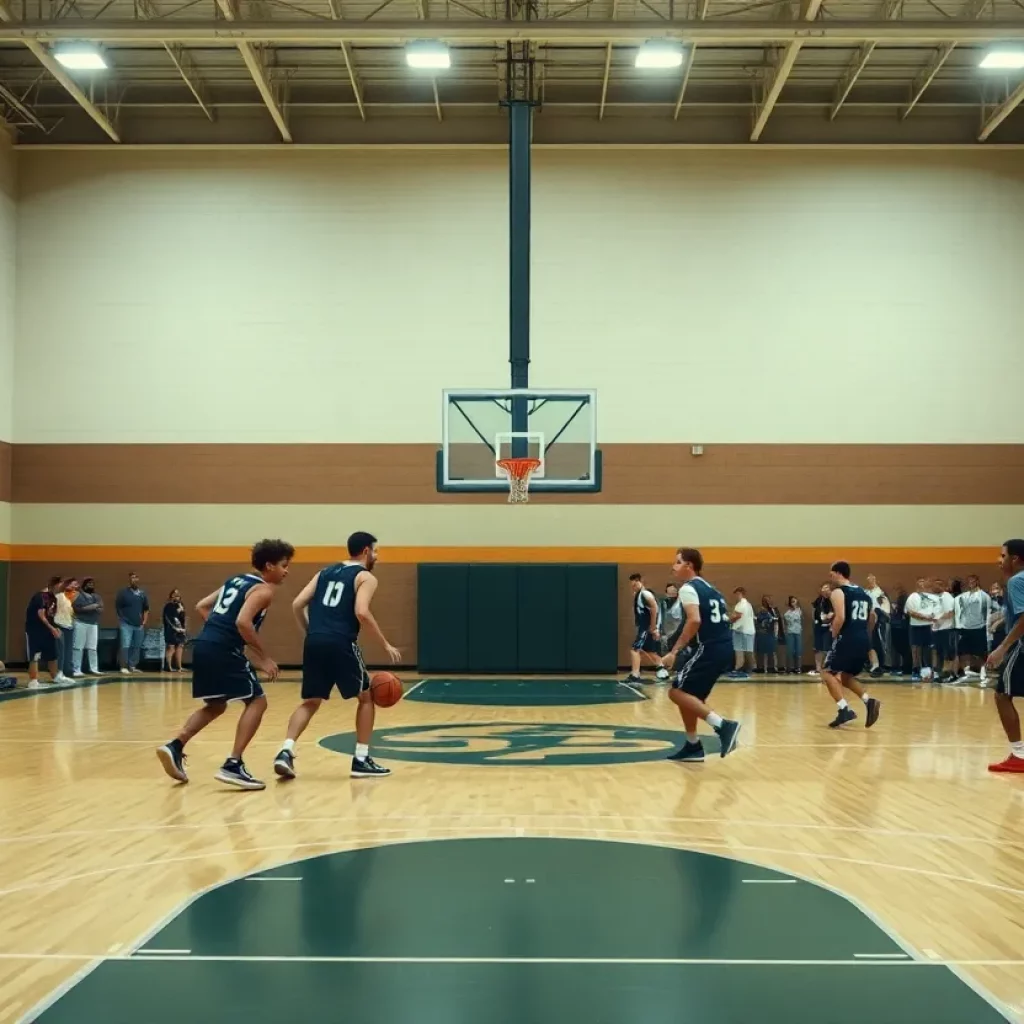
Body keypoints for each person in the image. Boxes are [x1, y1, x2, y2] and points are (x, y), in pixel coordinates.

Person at [156, 538, 294, 790]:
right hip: (222, 649)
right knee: (257, 700)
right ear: (269, 565)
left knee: (216, 705)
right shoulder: (263, 591)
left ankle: (175, 746)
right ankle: (233, 764)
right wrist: (263, 657)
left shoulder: (236, 580)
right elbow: (243, 622)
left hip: (204, 645)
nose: (287, 570)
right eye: (284, 565)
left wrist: (218, 629)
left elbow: (201, 606)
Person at [274, 531, 401, 781]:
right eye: (375, 551)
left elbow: (297, 604)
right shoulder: (365, 577)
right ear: (365, 551)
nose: (377, 556)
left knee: (310, 701)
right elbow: (362, 612)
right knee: (366, 697)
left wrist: (310, 632)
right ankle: (361, 759)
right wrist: (385, 644)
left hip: (315, 641)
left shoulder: (324, 572)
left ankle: (285, 750)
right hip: (341, 641)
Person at [662, 547, 741, 762]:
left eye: (677, 562)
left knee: (676, 692)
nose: (673, 566)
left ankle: (724, 726)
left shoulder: (688, 588)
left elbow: (694, 620)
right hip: (724, 646)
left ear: (689, 565)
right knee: (690, 697)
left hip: (710, 647)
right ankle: (693, 746)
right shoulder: (711, 589)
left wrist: (674, 651)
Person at [821, 561, 881, 729]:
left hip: (847, 637)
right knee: (846, 676)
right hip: (862, 638)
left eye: (831, 573)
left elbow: (840, 617)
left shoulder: (839, 592)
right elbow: (872, 617)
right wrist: (863, 632)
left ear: (839, 573)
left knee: (826, 672)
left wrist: (834, 634)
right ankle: (869, 701)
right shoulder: (863, 593)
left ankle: (844, 709)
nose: (830, 577)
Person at [986, 539, 1024, 773]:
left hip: (1022, 645)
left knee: (1002, 694)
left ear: (1015, 559)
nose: (999, 561)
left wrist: (1003, 647)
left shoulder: (1017, 581)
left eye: (1002, 556)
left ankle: (1019, 754)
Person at [624, 573, 668, 684]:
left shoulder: (645, 594)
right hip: (644, 627)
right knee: (649, 650)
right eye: (632, 586)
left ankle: (635, 675)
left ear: (640, 582)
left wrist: (653, 627)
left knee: (635, 650)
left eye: (635, 584)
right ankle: (661, 669)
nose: (633, 587)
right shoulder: (639, 595)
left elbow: (655, 608)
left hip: (646, 627)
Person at [25, 577, 61, 689]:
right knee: (35, 655)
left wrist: (55, 627)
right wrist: (51, 628)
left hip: (47, 630)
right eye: (59, 586)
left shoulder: (53, 598)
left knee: (52, 654)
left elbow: (51, 615)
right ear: (54, 585)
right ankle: (33, 681)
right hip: (35, 630)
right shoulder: (41, 596)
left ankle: (55, 677)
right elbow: (41, 614)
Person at [956, 575, 990, 680]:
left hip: (979, 627)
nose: (971, 582)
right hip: (965, 627)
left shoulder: (984, 596)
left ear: (977, 581)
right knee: (964, 650)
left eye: (973, 580)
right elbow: (960, 610)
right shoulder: (963, 596)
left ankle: (983, 669)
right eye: (969, 581)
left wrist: (987, 626)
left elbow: (987, 612)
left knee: (979, 651)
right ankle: (968, 669)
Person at [116, 572, 150, 675]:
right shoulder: (123, 593)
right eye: (132, 578)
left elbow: (146, 608)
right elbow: (118, 607)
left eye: (136, 577)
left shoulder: (142, 594)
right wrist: (122, 618)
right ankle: (123, 666)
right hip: (126, 624)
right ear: (129, 580)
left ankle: (132, 666)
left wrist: (144, 621)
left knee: (137, 645)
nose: (134, 579)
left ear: (138, 579)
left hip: (139, 624)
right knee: (125, 644)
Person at [905, 578, 938, 681]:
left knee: (929, 649)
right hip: (916, 626)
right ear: (916, 585)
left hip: (929, 626)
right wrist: (925, 617)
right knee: (916, 648)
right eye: (920, 582)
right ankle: (916, 669)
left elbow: (937, 610)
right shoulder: (912, 596)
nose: (922, 584)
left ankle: (930, 670)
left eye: (924, 582)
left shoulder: (933, 597)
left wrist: (932, 617)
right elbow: (911, 612)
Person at [72, 577, 103, 676]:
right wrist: (93, 606)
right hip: (80, 623)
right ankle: (76, 669)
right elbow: (77, 609)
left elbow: (101, 608)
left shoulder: (97, 596)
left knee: (92, 647)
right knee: (78, 647)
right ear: (84, 585)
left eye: (92, 584)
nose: (91, 585)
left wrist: (89, 607)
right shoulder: (78, 595)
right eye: (89, 583)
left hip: (93, 624)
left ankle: (94, 669)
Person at [931, 577, 957, 683]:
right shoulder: (935, 598)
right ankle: (939, 673)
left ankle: (949, 673)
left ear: (943, 586)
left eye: (939, 585)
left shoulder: (947, 597)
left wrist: (938, 619)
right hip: (937, 629)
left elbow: (950, 613)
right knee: (938, 652)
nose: (936, 587)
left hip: (946, 628)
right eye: (935, 584)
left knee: (948, 652)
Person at [864, 574, 890, 678]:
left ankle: (881, 665)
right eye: (868, 579)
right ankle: (874, 664)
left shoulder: (880, 593)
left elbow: (885, 609)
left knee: (878, 643)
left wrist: (881, 617)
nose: (870, 580)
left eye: (872, 579)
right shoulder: (865, 592)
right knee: (870, 643)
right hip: (867, 620)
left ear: (875, 579)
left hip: (878, 620)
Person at [53, 578, 77, 683]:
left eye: (75, 585)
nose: (73, 586)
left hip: (69, 626)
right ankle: (59, 672)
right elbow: (52, 611)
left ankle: (67, 671)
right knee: (61, 651)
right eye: (71, 584)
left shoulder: (71, 599)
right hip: (60, 625)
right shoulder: (58, 597)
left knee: (68, 651)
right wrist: (54, 625)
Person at [728, 587, 755, 678]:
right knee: (748, 650)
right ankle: (749, 669)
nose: (735, 596)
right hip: (749, 630)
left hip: (741, 630)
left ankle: (739, 668)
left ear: (740, 593)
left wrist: (728, 620)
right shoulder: (748, 604)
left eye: (736, 594)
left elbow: (737, 615)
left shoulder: (741, 604)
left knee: (739, 649)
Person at [985, 582, 1007, 686]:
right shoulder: (989, 600)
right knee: (991, 650)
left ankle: (1002, 676)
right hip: (991, 630)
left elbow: (1006, 614)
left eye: (997, 588)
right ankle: (993, 675)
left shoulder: (1006, 601)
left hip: (1003, 630)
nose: (995, 590)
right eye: (993, 588)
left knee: (1002, 651)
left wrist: (997, 623)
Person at [809, 583, 833, 676]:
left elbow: (834, 612)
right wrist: (815, 621)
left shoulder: (832, 599)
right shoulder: (819, 600)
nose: (824, 589)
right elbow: (814, 610)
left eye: (827, 587)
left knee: (827, 647)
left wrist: (829, 618)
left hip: (829, 627)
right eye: (823, 587)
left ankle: (827, 667)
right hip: (819, 626)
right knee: (817, 647)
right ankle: (818, 668)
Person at [754, 595, 781, 675]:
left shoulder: (773, 610)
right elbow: (757, 621)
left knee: (773, 651)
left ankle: (775, 667)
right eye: (764, 600)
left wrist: (776, 633)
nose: (766, 602)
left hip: (771, 633)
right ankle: (765, 668)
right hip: (763, 633)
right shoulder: (760, 610)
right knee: (764, 652)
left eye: (768, 600)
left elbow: (776, 621)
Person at [889, 585, 911, 677]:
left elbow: (902, 613)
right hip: (901, 627)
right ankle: (906, 668)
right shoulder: (901, 600)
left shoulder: (903, 600)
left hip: (900, 627)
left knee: (903, 649)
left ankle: (906, 669)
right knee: (905, 649)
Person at [163, 589, 187, 672]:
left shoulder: (181, 605)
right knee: (171, 648)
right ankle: (168, 667)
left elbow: (182, 618)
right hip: (171, 630)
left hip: (180, 629)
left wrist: (184, 628)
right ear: (171, 597)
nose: (177, 597)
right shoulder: (168, 606)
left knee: (180, 647)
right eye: (175, 595)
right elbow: (169, 618)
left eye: (178, 595)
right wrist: (175, 628)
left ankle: (179, 667)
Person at [783, 596, 803, 674]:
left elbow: (798, 617)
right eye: (792, 601)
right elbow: (786, 619)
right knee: (789, 650)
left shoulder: (799, 610)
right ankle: (789, 667)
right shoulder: (787, 612)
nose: (794, 603)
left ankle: (798, 667)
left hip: (797, 632)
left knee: (798, 650)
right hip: (790, 632)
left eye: (795, 601)